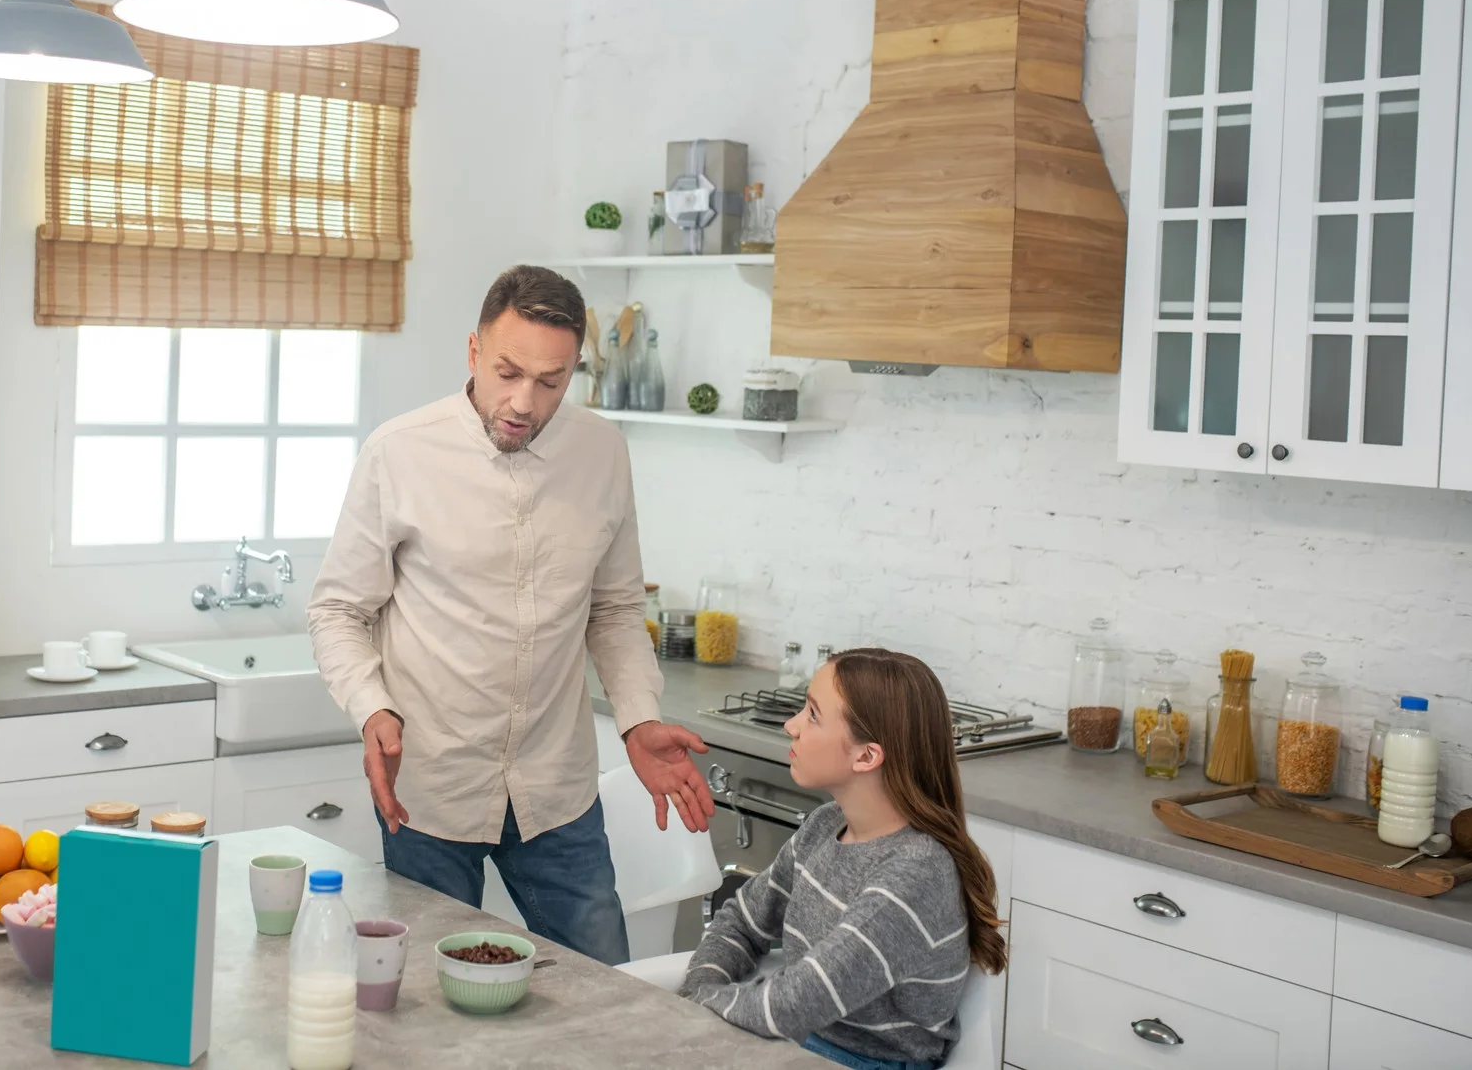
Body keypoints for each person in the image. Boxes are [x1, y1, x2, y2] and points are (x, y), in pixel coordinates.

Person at [307, 264, 716, 966]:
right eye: (507, 372)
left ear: (575, 372)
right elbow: (338, 609)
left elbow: (615, 608)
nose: (524, 401)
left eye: (551, 381)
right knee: (430, 1007)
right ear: (473, 352)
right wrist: (373, 709)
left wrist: (640, 716)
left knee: (606, 997)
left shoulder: (602, 453)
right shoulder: (398, 452)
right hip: (429, 789)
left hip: (556, 791)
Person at [677, 649, 1007, 1070]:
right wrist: (699, 992)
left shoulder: (915, 873)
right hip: (802, 1043)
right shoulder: (825, 825)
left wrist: (700, 1007)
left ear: (867, 756)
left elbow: (794, 1005)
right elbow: (742, 923)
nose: (791, 725)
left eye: (812, 715)